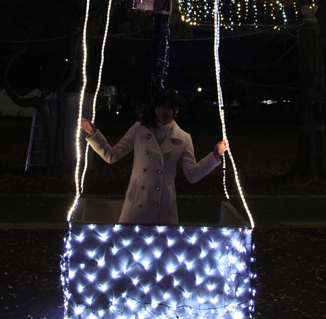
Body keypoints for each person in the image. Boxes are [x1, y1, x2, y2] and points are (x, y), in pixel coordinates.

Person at [79, 88, 225, 225]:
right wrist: (93, 133)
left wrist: (214, 155)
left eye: (168, 107)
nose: (163, 111)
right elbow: (112, 155)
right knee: (131, 249)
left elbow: (192, 175)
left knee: (161, 250)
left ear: (176, 110)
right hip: (137, 203)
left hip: (164, 206)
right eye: (160, 106)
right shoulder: (139, 129)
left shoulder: (184, 138)